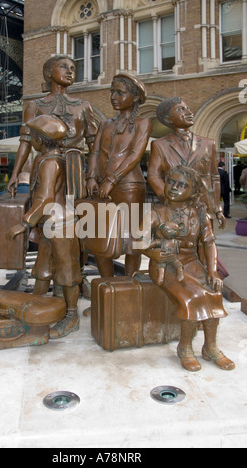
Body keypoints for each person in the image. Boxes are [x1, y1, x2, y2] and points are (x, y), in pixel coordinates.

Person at [140, 165, 235, 373]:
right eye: (171, 182)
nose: (174, 187)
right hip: (165, 265)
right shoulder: (155, 213)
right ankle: (184, 347)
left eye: (182, 185)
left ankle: (210, 347)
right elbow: (138, 242)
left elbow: (209, 243)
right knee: (194, 295)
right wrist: (153, 253)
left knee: (214, 292)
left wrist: (212, 271)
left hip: (192, 263)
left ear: (192, 192)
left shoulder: (199, 214)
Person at [6, 114, 82, 339]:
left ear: (41, 139)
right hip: (50, 223)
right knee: (43, 270)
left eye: (33, 136)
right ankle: (33, 311)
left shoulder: (50, 163)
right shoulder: (46, 158)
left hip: (61, 224)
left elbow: (46, 197)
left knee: (68, 274)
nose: (31, 140)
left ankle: (71, 316)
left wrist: (24, 222)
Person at [86, 72, 153, 277]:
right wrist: (91, 176)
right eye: (112, 92)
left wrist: (112, 179)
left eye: (120, 93)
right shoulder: (105, 124)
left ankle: (131, 287)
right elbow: (95, 151)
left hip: (129, 187)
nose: (114, 97)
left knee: (133, 240)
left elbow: (135, 155)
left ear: (135, 97)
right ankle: (107, 284)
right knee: (100, 236)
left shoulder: (143, 123)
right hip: (101, 186)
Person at [7, 55, 98, 199]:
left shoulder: (83, 106)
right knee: (44, 208)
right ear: (48, 72)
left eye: (73, 69)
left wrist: (93, 176)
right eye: (63, 67)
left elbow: (94, 146)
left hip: (74, 167)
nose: (70, 71)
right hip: (44, 165)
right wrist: (15, 175)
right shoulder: (34, 105)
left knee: (73, 211)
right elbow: (25, 142)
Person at [147, 97, 226, 230]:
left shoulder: (208, 144)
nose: (189, 112)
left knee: (206, 245)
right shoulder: (160, 145)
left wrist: (217, 208)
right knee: (176, 245)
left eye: (188, 108)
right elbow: (153, 175)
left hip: (203, 206)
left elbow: (214, 177)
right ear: (168, 119)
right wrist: (167, 198)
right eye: (181, 109)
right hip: (175, 208)